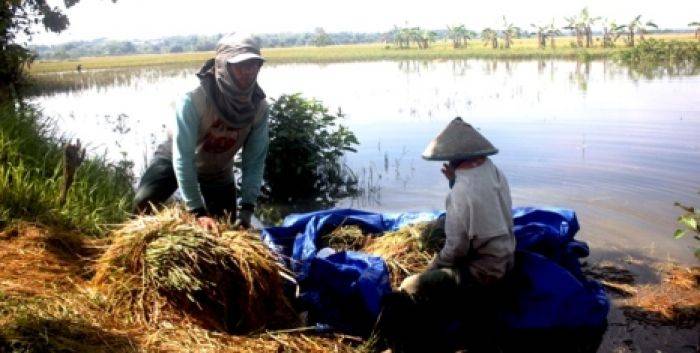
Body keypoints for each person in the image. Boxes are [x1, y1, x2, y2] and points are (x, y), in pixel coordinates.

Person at [377, 117, 516, 353]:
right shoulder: (493, 170)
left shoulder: (461, 192)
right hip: (507, 254)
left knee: (410, 287)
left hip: (486, 271)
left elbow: (456, 249)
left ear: (453, 158)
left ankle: (412, 343)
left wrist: (429, 270)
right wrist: (454, 181)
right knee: (443, 224)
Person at [133, 33, 269, 230]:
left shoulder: (259, 108)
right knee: (144, 202)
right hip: (175, 157)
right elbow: (183, 158)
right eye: (240, 65)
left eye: (253, 64)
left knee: (226, 227)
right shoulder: (193, 100)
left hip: (217, 169)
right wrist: (197, 211)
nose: (248, 71)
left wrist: (247, 207)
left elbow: (254, 160)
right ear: (223, 66)